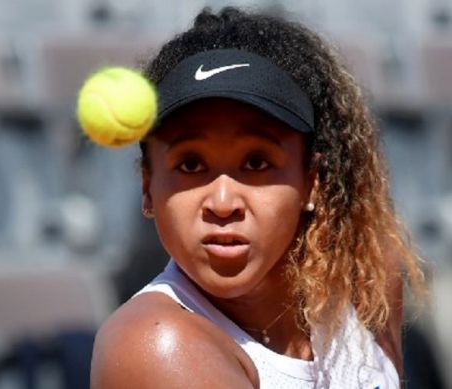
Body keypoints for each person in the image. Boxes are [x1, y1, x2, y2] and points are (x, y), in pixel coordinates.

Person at [90, 6, 426, 388]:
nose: (221, 202)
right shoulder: (156, 343)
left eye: (256, 161)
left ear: (312, 181)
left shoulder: (368, 269)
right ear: (148, 187)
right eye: (190, 164)